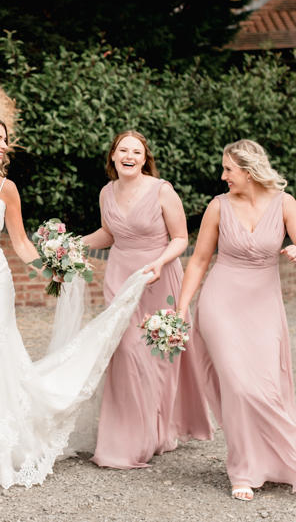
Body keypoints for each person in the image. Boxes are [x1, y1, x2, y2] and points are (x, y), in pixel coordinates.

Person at [0, 115, 153, 489]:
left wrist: (48, 268)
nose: (4, 146)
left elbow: (19, 241)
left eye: (5, 140)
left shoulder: (7, 188)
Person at [176, 139, 296, 501]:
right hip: (221, 303)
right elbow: (198, 261)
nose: (223, 175)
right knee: (238, 388)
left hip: (264, 307)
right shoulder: (218, 206)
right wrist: (182, 306)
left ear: (248, 170)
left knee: (267, 388)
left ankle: (283, 460)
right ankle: (242, 470)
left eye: (229, 169)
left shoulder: (284, 204)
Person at [82, 131, 212, 469]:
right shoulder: (105, 192)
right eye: (122, 150)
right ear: (112, 156)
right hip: (121, 278)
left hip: (158, 275)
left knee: (157, 357)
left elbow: (181, 237)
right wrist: (76, 244)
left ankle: (158, 429)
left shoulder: (162, 190)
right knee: (125, 351)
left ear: (144, 158)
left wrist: (159, 261)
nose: (129, 156)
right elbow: (110, 233)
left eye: (136, 152)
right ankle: (128, 437)